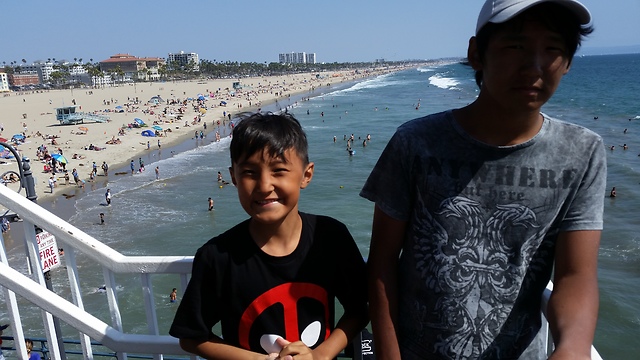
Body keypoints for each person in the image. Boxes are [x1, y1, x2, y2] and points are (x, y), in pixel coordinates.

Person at [360, 1, 605, 359]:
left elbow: (575, 275)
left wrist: (574, 346)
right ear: (476, 53)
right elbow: (382, 261)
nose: (534, 66)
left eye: (553, 49)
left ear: (567, 63)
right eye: (516, 46)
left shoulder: (582, 152)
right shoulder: (415, 143)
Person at [170, 112, 368, 359]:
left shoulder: (330, 238)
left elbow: (361, 308)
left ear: (306, 175)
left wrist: (321, 354)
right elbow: (191, 336)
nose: (264, 186)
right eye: (250, 173)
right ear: (233, 177)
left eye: (279, 170)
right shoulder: (217, 257)